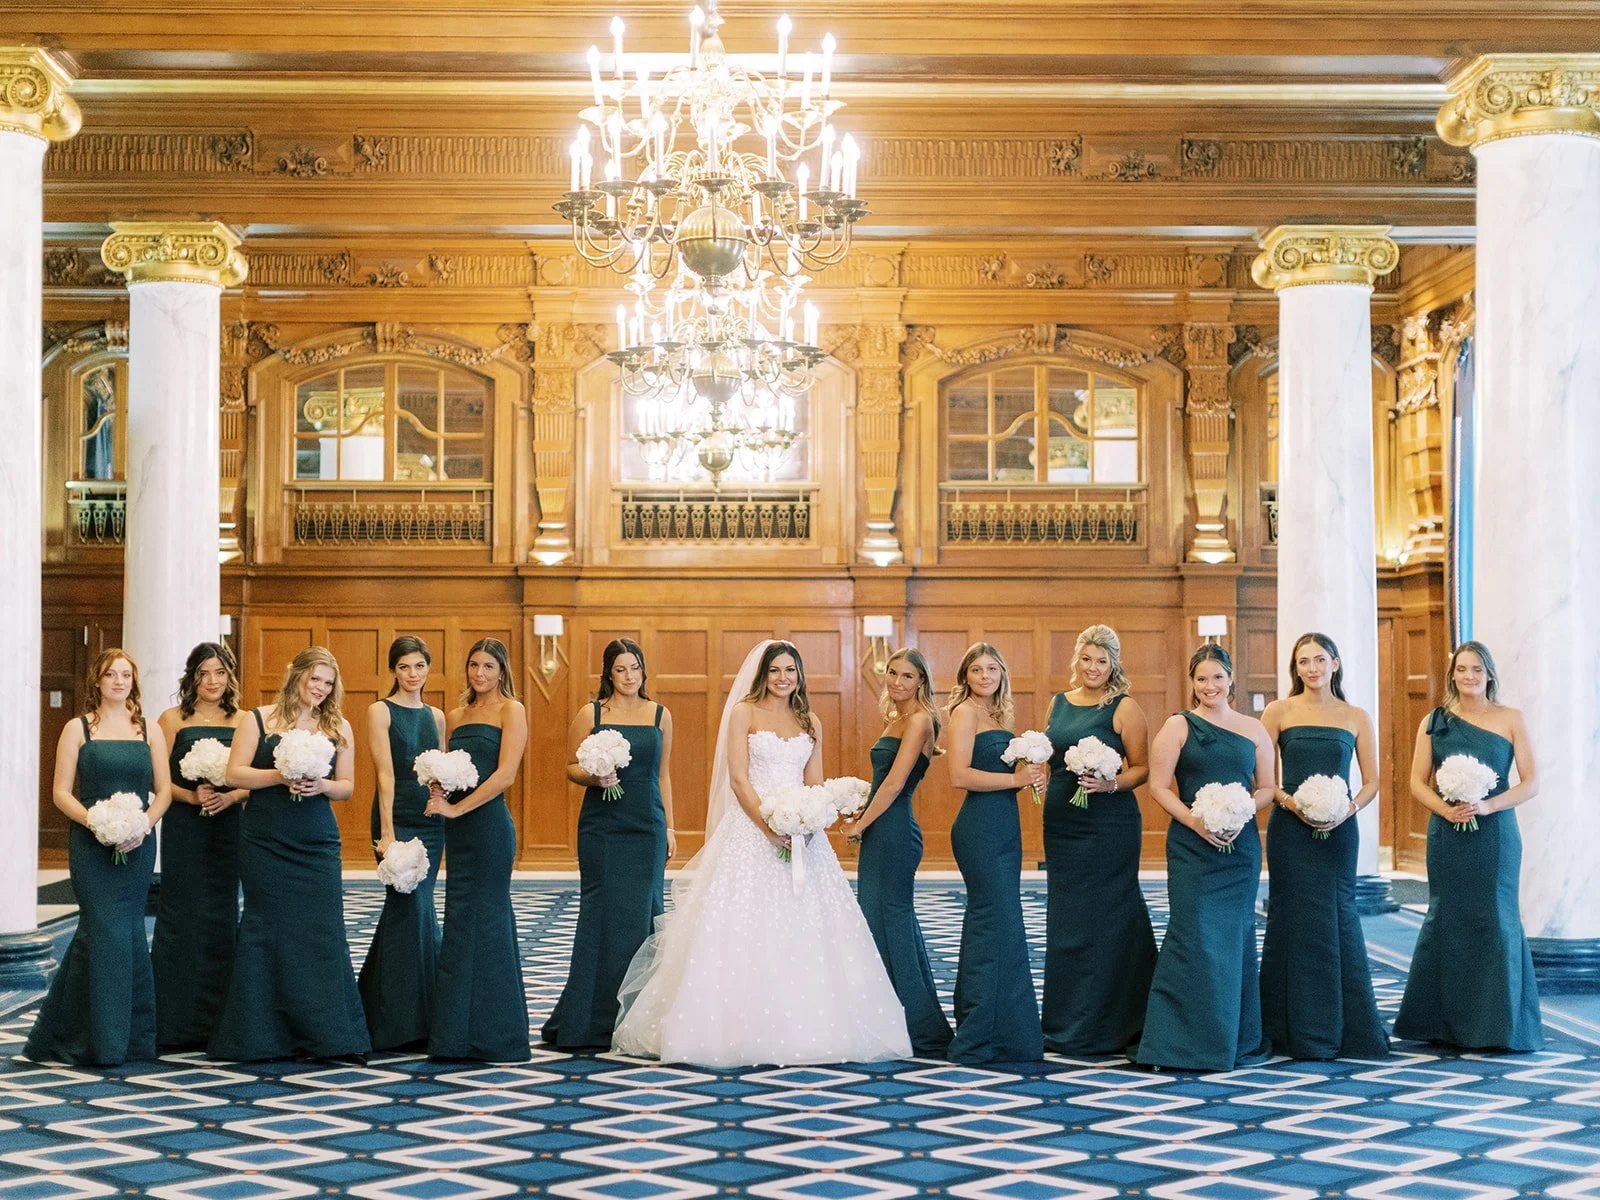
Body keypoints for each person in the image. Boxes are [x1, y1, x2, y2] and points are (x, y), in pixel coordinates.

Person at [612, 639, 912, 1066]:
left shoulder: (810, 721)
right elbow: (738, 778)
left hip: (803, 836)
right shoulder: (744, 713)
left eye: (790, 670)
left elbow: (814, 780)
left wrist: (810, 820)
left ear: (799, 675)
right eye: (775, 671)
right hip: (753, 830)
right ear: (763, 674)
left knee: (812, 928)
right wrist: (769, 828)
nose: (782, 678)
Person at [209, 646, 370, 1062]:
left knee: (320, 929)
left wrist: (323, 785)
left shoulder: (339, 726)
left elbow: (347, 786)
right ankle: (261, 1035)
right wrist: (280, 777)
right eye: (314, 678)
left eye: (328, 683)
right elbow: (234, 773)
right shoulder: (258, 719)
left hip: (316, 841)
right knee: (267, 926)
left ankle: (327, 1034)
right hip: (266, 838)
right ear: (296, 675)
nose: (320, 688)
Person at [1394, 640, 1543, 1052]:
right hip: (1448, 835)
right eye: (1461, 669)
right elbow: (1416, 782)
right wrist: (1446, 810)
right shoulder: (1434, 721)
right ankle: (1442, 1023)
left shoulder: (1511, 719)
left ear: (1489, 674)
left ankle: (1498, 1026)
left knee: (1495, 917)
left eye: (1477, 669)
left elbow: (1531, 782)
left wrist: (1488, 805)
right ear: (1452, 675)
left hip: (1495, 836)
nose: (1469, 676)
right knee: (1448, 917)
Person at [26, 649, 170, 1065]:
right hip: (91, 845)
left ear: (133, 682)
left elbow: (163, 792)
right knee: (102, 930)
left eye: (126, 675)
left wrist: (141, 826)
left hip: (138, 845)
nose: (119, 681)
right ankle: (97, 1040)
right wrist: (97, 822)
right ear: (97, 681)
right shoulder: (77, 729)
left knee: (128, 933)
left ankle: (130, 1039)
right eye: (111, 675)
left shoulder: (149, 730)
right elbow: (60, 792)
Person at [1136, 643, 1275, 1072]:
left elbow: (1268, 787)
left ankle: (1233, 1038)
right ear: (1192, 682)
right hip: (1191, 846)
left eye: (1217, 677)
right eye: (1202, 679)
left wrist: (1242, 812)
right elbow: (1158, 787)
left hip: (1240, 848)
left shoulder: (1254, 729)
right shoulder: (1178, 726)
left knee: (1234, 938)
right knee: (1192, 934)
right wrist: (1195, 821)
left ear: (1231, 679)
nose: (1210, 685)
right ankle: (1177, 1042)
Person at [1259, 632, 1389, 1059]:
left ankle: (1347, 1027)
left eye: (1319, 659)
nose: (1312, 668)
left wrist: (1347, 809)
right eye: (1303, 661)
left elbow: (1372, 781)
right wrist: (1291, 803)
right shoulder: (1278, 711)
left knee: (1339, 915)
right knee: (1289, 916)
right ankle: (1283, 1027)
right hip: (1290, 829)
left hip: (1340, 830)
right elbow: (1263, 778)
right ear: (1295, 668)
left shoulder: (1355, 716)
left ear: (1335, 663)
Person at [543, 638, 676, 1050]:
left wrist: (670, 828)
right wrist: (594, 777)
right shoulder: (592, 713)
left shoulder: (660, 714)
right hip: (602, 827)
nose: (629, 676)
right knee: (600, 917)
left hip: (646, 826)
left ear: (643, 671)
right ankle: (588, 1020)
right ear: (609, 674)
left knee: (643, 916)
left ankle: (638, 1020)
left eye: (635, 668)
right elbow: (570, 766)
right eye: (620, 669)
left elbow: (663, 775)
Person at [1040, 624, 1156, 1056]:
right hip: (1062, 824)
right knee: (1068, 917)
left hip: (1109, 824)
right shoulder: (1058, 702)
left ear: (1113, 664)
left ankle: (1116, 1020)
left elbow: (1142, 768)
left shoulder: (1124, 708)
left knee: (1109, 915)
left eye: (1102, 661)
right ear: (1078, 660)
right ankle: (1067, 1019)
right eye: (1087, 659)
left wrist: (1111, 785)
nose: (1093, 668)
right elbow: (1050, 755)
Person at [842, 647, 953, 1057]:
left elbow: (893, 784)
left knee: (894, 924)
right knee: (877, 923)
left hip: (895, 832)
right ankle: (883, 1017)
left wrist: (859, 825)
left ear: (921, 681)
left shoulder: (921, 719)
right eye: (892, 673)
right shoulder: (895, 718)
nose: (897, 682)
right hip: (880, 829)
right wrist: (862, 812)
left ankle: (917, 1025)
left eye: (907, 676)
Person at [426, 637, 531, 1061]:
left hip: (489, 828)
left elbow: (506, 775)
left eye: (488, 666)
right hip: (459, 833)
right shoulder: (455, 716)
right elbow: (448, 769)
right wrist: (438, 789)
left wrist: (458, 809)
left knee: (488, 923)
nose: (480, 673)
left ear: (502, 670)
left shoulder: (512, 710)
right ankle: (454, 1035)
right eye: (474, 665)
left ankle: (497, 1034)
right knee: (458, 921)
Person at [945, 642, 1044, 1066]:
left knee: (1003, 922)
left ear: (1002, 674)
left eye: (992, 669)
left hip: (1005, 826)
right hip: (979, 829)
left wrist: (1032, 776)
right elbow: (959, 775)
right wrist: (1016, 781)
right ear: (965, 676)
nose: (984, 676)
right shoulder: (965, 713)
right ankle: (980, 1035)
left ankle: (1006, 1031)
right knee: (993, 922)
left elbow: (1005, 774)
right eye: (976, 669)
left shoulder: (1000, 715)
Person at [152, 642, 247, 1051]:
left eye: (220, 673)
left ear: (230, 677)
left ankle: (220, 1018)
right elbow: (156, 778)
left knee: (222, 911)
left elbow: (253, 777)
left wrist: (231, 796)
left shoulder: (244, 720)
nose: (212, 681)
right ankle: (173, 1019)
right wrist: (191, 797)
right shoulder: (171, 719)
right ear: (191, 677)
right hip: (184, 826)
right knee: (182, 910)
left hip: (228, 826)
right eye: (204, 673)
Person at [359, 635, 446, 1051]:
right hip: (395, 817)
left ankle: (416, 1014)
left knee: (420, 909)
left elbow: (438, 772)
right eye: (404, 667)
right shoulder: (380, 710)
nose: (413, 674)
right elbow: (384, 774)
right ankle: (394, 1021)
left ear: (428, 668)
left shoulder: (437, 716)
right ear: (393, 670)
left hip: (431, 822)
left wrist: (443, 801)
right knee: (405, 908)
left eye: (419, 666)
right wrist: (388, 831)